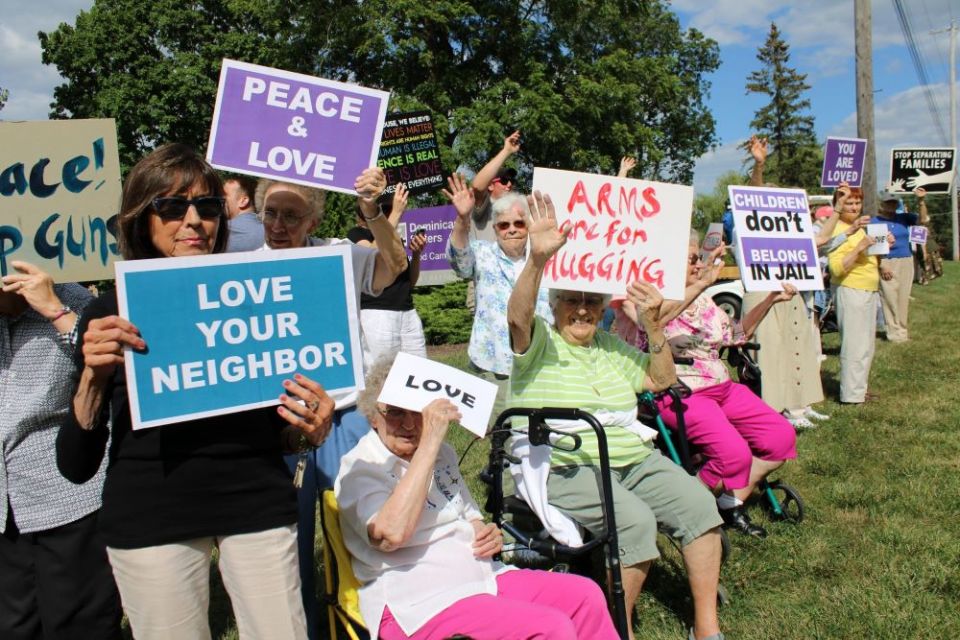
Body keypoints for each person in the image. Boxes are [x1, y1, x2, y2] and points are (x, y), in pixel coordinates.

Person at [57, 143, 334, 640]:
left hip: (255, 503)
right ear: (141, 217)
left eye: (208, 207)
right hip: (152, 517)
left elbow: (279, 435)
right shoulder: (107, 313)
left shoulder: (253, 296)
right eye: (171, 206)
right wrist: (92, 378)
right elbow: (75, 466)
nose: (193, 221)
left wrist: (308, 430)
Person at [507, 192, 725, 640]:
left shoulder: (610, 346)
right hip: (568, 463)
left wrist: (654, 326)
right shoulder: (541, 342)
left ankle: (707, 628)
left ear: (606, 307)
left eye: (592, 300)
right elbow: (517, 319)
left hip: (629, 457)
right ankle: (611, 631)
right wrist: (536, 261)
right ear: (555, 304)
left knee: (700, 505)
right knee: (635, 522)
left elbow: (660, 381)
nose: (583, 307)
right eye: (572, 298)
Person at [335, 353, 618, 640]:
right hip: (418, 601)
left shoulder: (442, 454)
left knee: (585, 596)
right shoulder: (361, 467)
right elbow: (389, 535)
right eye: (395, 412)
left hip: (482, 578)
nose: (409, 424)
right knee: (551, 627)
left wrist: (487, 533)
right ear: (373, 417)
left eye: (417, 411)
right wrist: (429, 444)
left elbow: (469, 517)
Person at [256, 168, 407, 639]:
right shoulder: (241, 267)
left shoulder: (340, 255)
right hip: (282, 424)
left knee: (365, 525)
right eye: (271, 214)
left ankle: (370, 622)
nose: (279, 226)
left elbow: (395, 264)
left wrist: (371, 211)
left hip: (344, 418)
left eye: (292, 216)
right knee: (289, 541)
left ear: (314, 219)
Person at [616, 233, 798, 539]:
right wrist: (699, 284)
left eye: (699, 257)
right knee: (733, 454)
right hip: (680, 393)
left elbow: (737, 334)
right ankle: (689, 509)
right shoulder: (642, 297)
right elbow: (651, 323)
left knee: (780, 437)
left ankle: (729, 502)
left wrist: (769, 300)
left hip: (722, 386)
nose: (699, 265)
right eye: (692, 259)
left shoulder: (704, 299)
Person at [0, 260, 121, 639]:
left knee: (81, 625)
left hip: (68, 503)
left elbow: (116, 372)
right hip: (6, 512)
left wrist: (54, 310)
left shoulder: (73, 301)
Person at [445, 173, 553, 422]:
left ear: (529, 225)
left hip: (543, 364)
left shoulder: (546, 257)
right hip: (496, 367)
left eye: (519, 223)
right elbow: (459, 260)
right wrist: (463, 218)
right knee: (501, 441)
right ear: (495, 230)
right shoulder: (482, 254)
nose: (512, 229)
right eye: (504, 225)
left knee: (545, 438)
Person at [739, 135, 827, 428]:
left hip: (790, 290)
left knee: (797, 345)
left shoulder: (791, 232)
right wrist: (759, 166)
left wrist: (840, 210)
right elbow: (753, 191)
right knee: (771, 350)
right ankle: (774, 412)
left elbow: (822, 239)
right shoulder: (748, 228)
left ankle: (799, 404)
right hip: (763, 292)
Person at [347, 182, 428, 365]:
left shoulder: (394, 240)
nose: (390, 211)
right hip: (378, 314)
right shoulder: (356, 234)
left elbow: (410, 281)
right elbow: (370, 260)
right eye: (386, 209)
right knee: (383, 374)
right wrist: (395, 214)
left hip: (407, 312)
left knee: (419, 370)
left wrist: (416, 255)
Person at [828, 186, 880, 405]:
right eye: (849, 203)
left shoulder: (859, 228)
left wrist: (880, 245)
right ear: (839, 204)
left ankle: (860, 390)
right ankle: (851, 396)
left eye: (857, 203)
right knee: (854, 345)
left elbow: (865, 256)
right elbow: (837, 268)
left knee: (867, 344)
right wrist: (860, 247)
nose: (854, 207)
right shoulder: (837, 229)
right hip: (851, 289)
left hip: (868, 289)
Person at [464, 130, 521, 312]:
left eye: (511, 180)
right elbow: (477, 186)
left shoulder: (517, 209)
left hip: (515, 287)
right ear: (491, 184)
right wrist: (506, 151)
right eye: (503, 180)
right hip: (487, 291)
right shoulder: (483, 206)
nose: (509, 184)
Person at [872, 185, 925, 343]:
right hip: (887, 260)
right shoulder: (875, 222)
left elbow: (923, 220)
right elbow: (875, 248)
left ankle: (902, 331)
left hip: (906, 259)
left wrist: (921, 201)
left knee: (903, 296)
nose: (891, 205)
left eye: (894, 203)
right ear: (882, 204)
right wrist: (882, 265)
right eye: (888, 202)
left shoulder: (904, 218)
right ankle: (893, 332)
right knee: (889, 297)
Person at [224, 174, 264, 252]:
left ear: (243, 201)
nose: (219, 199)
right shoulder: (270, 232)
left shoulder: (223, 229)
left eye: (224, 195)